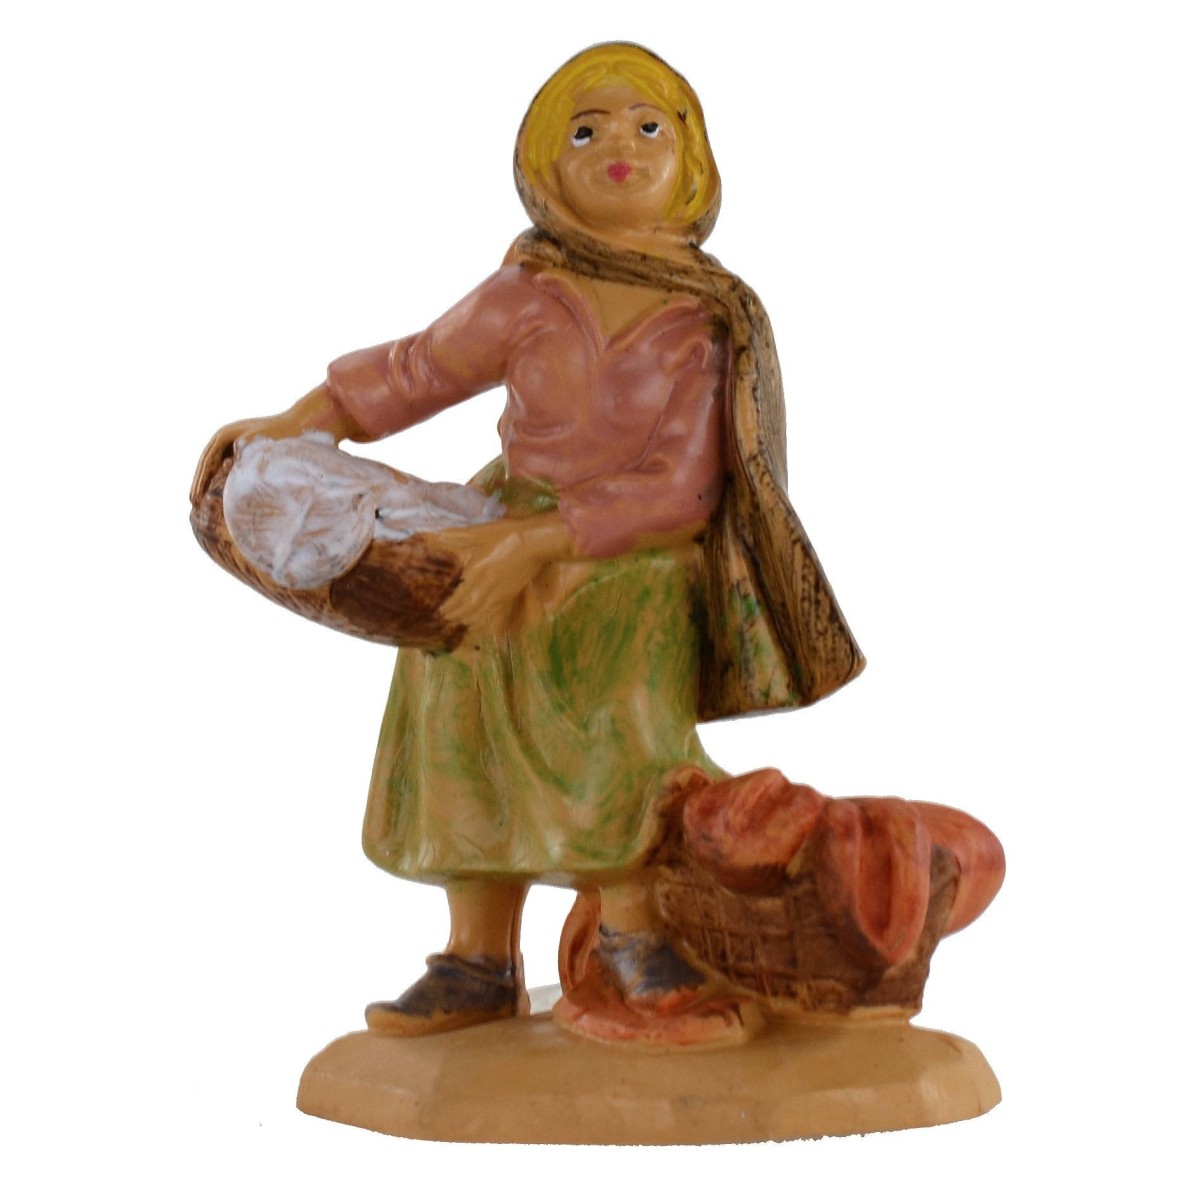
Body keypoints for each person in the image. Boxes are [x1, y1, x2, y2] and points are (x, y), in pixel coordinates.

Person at [191, 43, 864, 1046]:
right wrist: (301, 421)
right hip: (496, 534)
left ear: (692, 160)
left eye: (649, 126)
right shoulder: (530, 290)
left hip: (632, 558)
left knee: (621, 742)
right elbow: (416, 369)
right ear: (546, 166)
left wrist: (542, 544)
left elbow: (686, 485)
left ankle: (633, 938)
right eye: (586, 131)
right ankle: (476, 956)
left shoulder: (704, 318)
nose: (619, 147)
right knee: (459, 718)